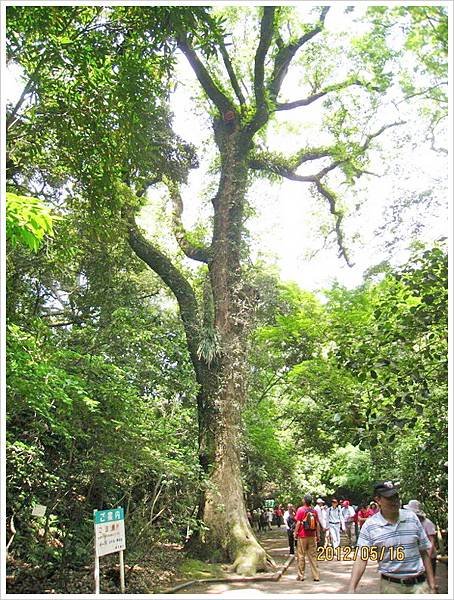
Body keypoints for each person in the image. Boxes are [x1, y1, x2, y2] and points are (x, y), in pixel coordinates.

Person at [348, 480, 437, 594]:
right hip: (391, 587)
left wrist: (432, 585)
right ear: (378, 499)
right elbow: (361, 559)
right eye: (389, 498)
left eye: (396, 496)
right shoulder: (370, 526)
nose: (395, 501)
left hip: (419, 586)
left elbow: (424, 553)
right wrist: (351, 589)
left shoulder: (411, 517)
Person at [404, 499, 438, 575]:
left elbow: (431, 540)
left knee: (429, 575)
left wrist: (428, 556)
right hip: (417, 555)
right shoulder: (411, 522)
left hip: (429, 555)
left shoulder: (427, 523)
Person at [294, 494, 320, 582]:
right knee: (313, 556)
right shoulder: (314, 511)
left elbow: (298, 523)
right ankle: (316, 576)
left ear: (304, 501)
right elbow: (317, 524)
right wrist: (318, 535)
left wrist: (295, 533)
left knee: (301, 556)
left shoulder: (300, 510)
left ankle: (301, 576)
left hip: (302, 536)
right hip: (312, 535)